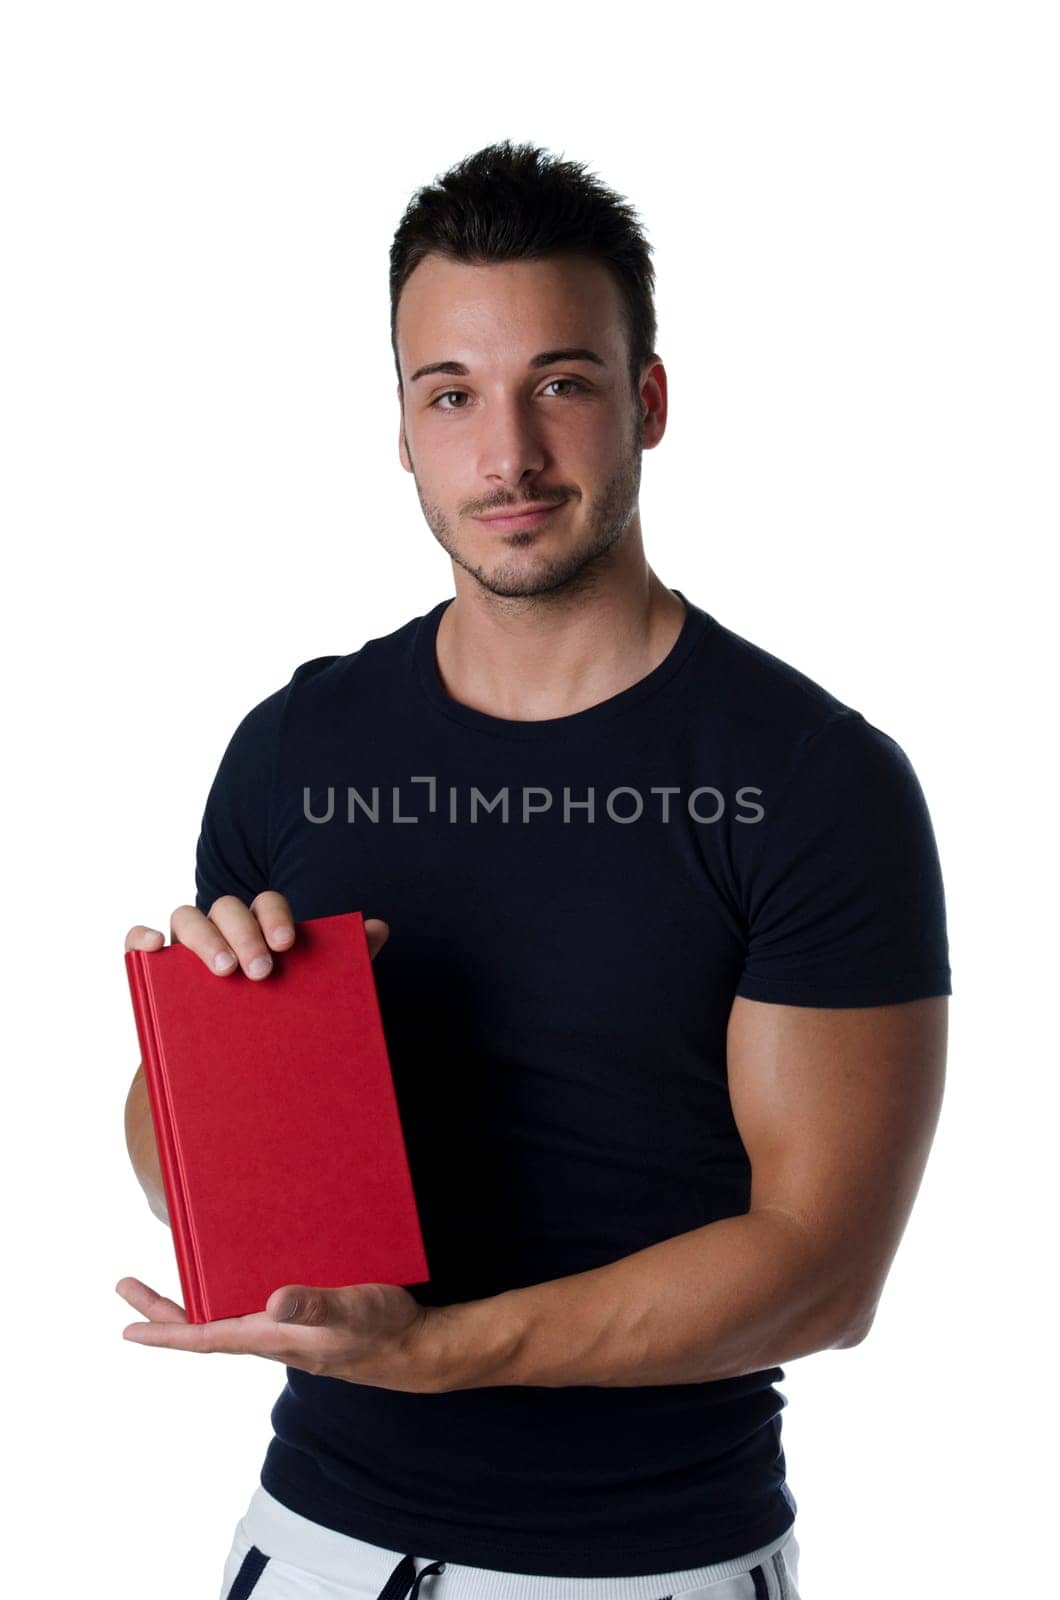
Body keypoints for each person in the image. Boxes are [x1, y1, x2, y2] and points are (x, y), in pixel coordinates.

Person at [120, 140, 951, 1600]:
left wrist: (440, 1356)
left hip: (645, 1566)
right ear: (401, 428)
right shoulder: (295, 744)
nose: (506, 454)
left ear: (650, 402)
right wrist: (227, 1047)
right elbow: (182, 1169)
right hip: (310, 1539)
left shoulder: (815, 780)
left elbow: (825, 1270)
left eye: (559, 384)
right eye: (452, 395)